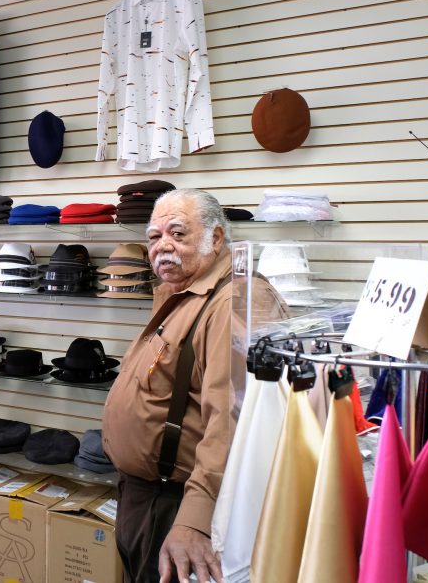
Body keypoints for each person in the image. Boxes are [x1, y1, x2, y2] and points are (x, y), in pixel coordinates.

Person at [102, 188, 285, 583]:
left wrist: (195, 521)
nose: (162, 247)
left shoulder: (234, 299)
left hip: (177, 508)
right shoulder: (185, 293)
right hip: (151, 500)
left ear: (216, 238)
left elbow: (233, 417)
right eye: (154, 237)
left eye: (178, 234)